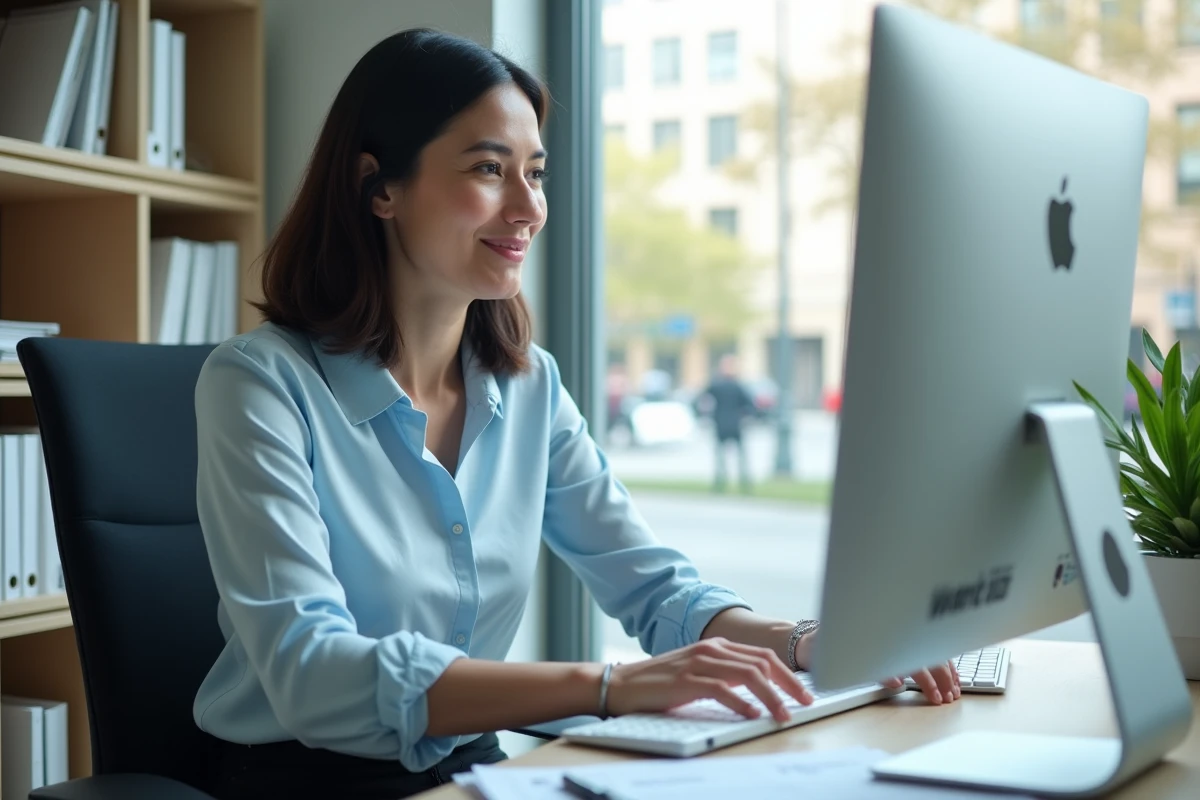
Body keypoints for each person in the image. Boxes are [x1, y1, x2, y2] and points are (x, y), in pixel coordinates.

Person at [191, 29, 960, 800]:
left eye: (535, 172)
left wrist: (809, 644)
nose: (529, 208)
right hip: (302, 782)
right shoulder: (260, 385)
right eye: (489, 170)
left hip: (471, 769)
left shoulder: (528, 387)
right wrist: (609, 687)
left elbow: (653, 590)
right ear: (379, 187)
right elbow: (311, 671)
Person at [701, 354, 756, 493]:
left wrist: (706, 415)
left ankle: (721, 485)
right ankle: (744, 485)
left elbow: (701, 399)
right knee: (737, 457)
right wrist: (746, 416)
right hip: (734, 425)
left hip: (722, 424)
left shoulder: (716, 385)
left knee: (723, 458)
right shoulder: (737, 386)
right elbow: (750, 405)